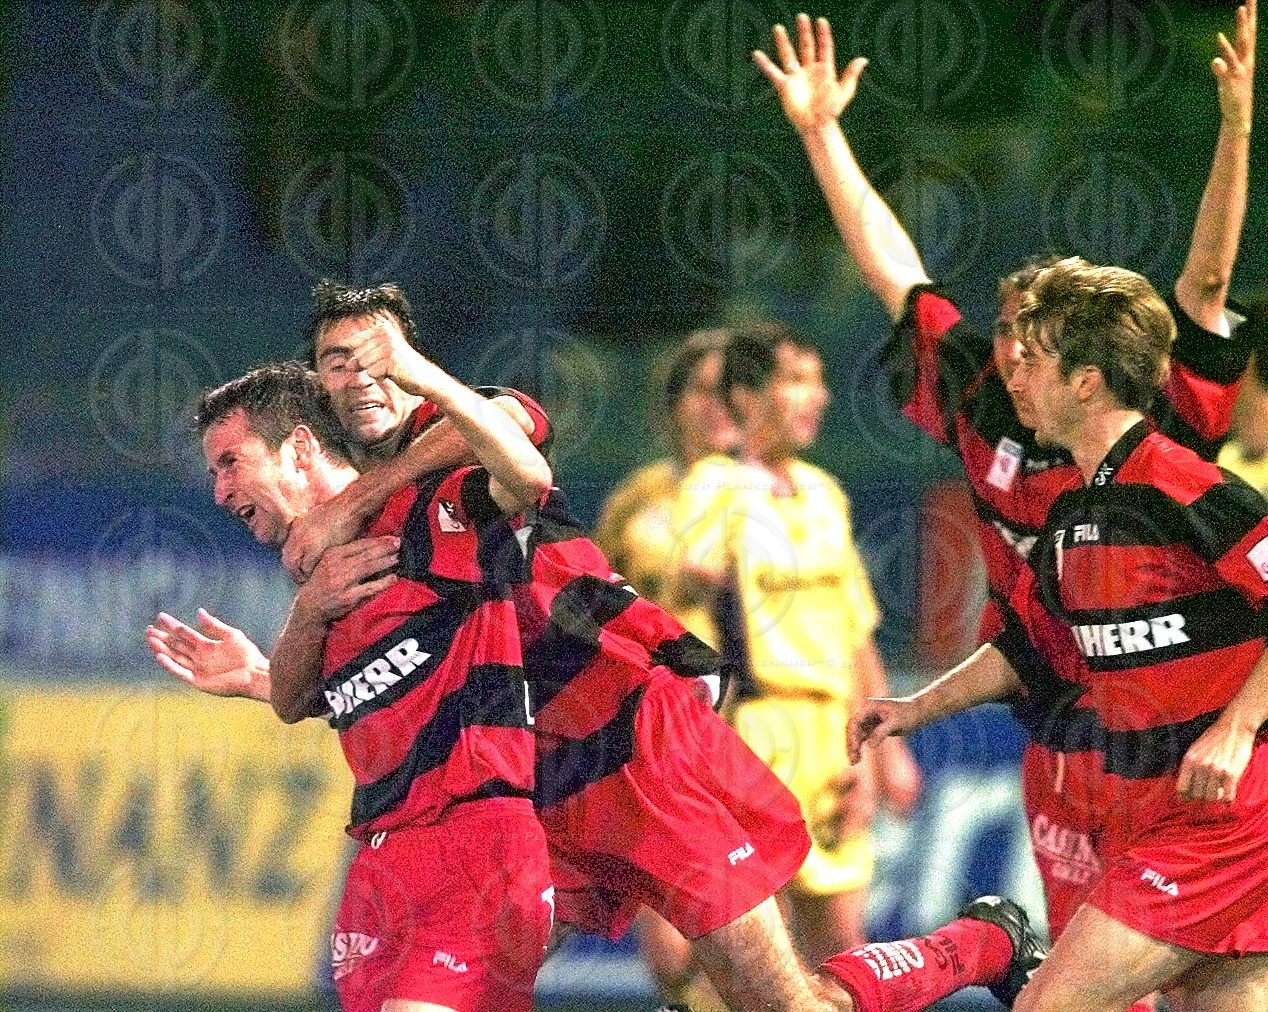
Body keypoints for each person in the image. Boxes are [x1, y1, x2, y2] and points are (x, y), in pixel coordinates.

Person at [153, 285, 1046, 1012]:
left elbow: (518, 444)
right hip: (535, 784)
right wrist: (271, 672)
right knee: (593, 970)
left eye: (377, 352)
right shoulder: (359, 540)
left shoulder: (459, 452)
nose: (361, 374)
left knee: (782, 1002)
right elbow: (400, 676)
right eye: (336, 361)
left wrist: (369, 466)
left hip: (637, 739)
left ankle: (983, 943)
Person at [754, 4, 1256, 966]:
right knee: (1109, 966)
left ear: (1086, 367)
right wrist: (821, 134)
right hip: (1052, 719)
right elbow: (895, 273)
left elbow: (1205, 282)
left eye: (1042, 337)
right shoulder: (983, 398)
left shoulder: (1157, 436)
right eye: (1013, 330)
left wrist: (1235, 127)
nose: (1019, 352)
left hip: (1171, 732)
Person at [852, 258, 1268, 1011]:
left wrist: (1237, 729)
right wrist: (916, 707)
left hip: (1225, 820)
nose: (1013, 373)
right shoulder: (1073, 515)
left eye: (1035, 359)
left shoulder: (1184, 487)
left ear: (1086, 383)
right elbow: (1031, 647)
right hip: (1155, 808)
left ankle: (1002, 947)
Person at [194, 360, 555, 1012]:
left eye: (230, 463)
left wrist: (408, 375)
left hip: (475, 841)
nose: (219, 492)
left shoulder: (423, 513)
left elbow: (523, 449)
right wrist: (300, 622)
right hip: (380, 866)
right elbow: (293, 701)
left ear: (299, 448)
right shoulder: (319, 580)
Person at [668, 322, 921, 965]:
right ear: (747, 397)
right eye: (796, 380)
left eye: (819, 381)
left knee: (842, 946)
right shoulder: (715, 485)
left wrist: (884, 750)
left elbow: (855, 631)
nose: (818, 396)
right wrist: (701, 568)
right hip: (755, 731)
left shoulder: (825, 492)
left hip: (834, 738)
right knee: (765, 954)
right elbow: (685, 590)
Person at [593, 328, 738, 1011]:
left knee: (736, 927)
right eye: (703, 389)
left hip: (747, 721)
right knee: (670, 948)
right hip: (649, 723)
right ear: (674, 404)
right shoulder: (639, 497)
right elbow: (588, 598)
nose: (719, 404)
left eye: (733, 389)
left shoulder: (770, 494)